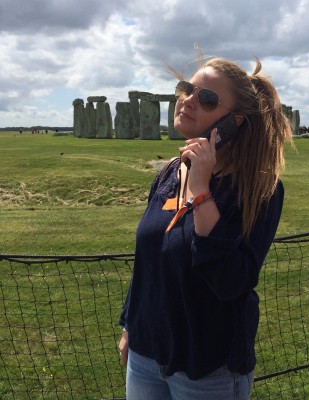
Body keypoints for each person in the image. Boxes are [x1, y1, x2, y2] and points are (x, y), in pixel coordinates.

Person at [118, 55, 293, 400]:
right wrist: (130, 328)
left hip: (209, 366)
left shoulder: (259, 189)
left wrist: (201, 192)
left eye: (207, 99)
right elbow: (150, 262)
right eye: (187, 90)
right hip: (146, 353)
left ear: (234, 122)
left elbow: (232, 282)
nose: (188, 101)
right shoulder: (169, 172)